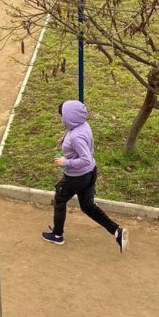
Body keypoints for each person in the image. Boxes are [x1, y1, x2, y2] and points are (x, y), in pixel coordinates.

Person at [42, 100, 128, 253]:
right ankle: (117, 232)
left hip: (76, 177)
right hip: (90, 173)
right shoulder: (83, 125)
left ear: (70, 117)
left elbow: (85, 158)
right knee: (87, 206)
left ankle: (57, 235)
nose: (61, 118)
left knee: (60, 200)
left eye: (62, 116)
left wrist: (65, 161)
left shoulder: (76, 137)